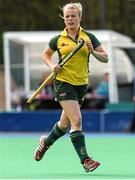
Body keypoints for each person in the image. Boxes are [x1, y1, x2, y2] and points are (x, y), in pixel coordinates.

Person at [34, 2, 108, 172]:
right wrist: (52, 66)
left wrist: (93, 52)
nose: (69, 19)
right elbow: (45, 55)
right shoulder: (58, 39)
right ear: (64, 18)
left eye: (73, 16)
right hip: (63, 82)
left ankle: (45, 142)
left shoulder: (89, 37)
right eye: (67, 16)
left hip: (81, 84)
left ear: (79, 17)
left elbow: (105, 58)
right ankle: (86, 161)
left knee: (64, 124)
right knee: (77, 120)